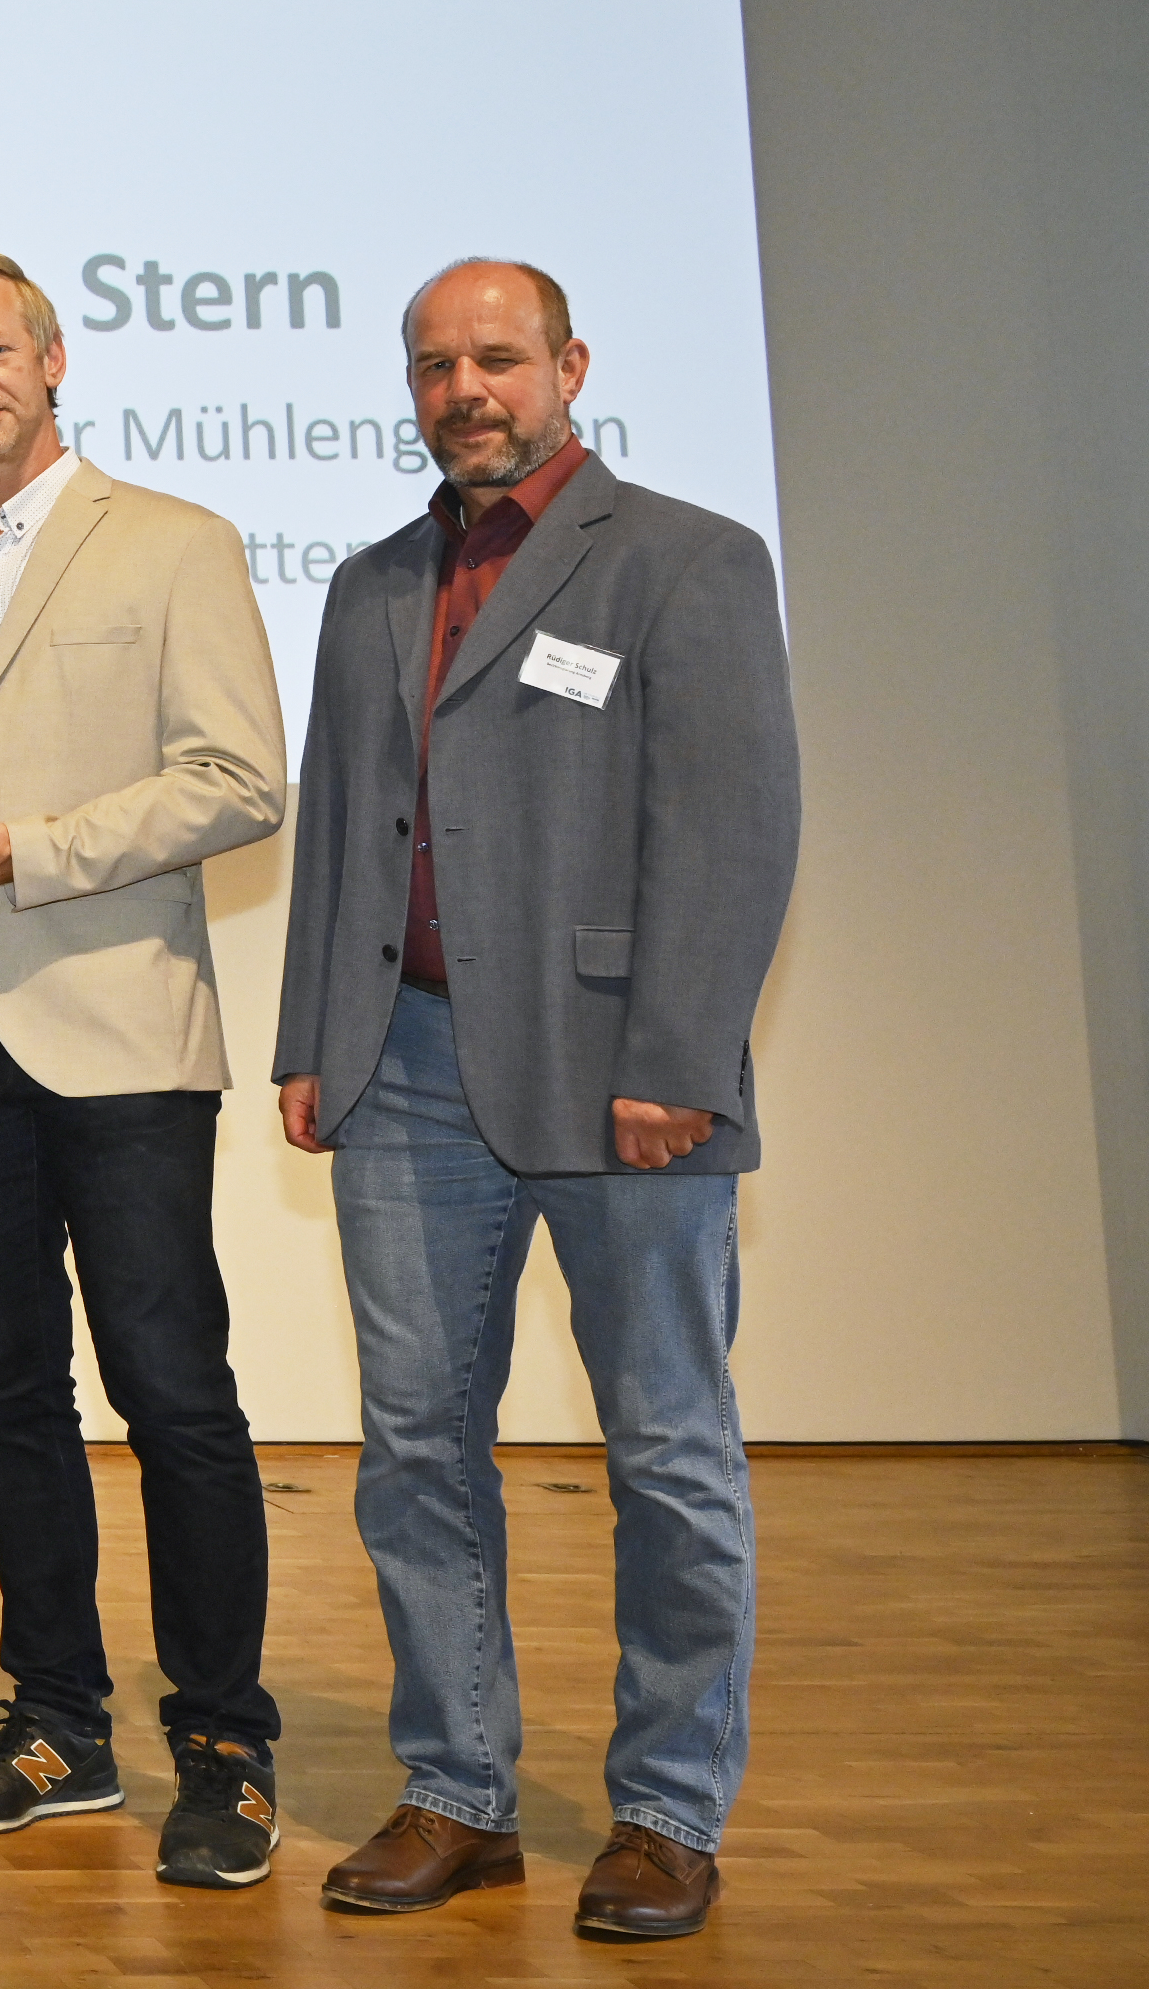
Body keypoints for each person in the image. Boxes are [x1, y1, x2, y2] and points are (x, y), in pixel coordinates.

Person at [273, 260, 799, 1944]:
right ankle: (459, 1793)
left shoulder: (690, 560)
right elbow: (341, 831)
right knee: (415, 1446)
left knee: (665, 1447)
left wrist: (680, 1061)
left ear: (570, 365)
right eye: (435, 364)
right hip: (403, 1070)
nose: (464, 388)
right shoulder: (367, 585)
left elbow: (735, 831)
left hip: (616, 1074)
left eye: (496, 357)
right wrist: (315, 1035)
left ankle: (664, 1812)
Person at [0, 250, 293, 1889]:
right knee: (8, 1390)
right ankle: (57, 1724)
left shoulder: (177, 543)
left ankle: (223, 1741)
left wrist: (25, 851)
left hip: (120, 1027)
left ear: (55, 355)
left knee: (174, 1394)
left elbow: (238, 778)